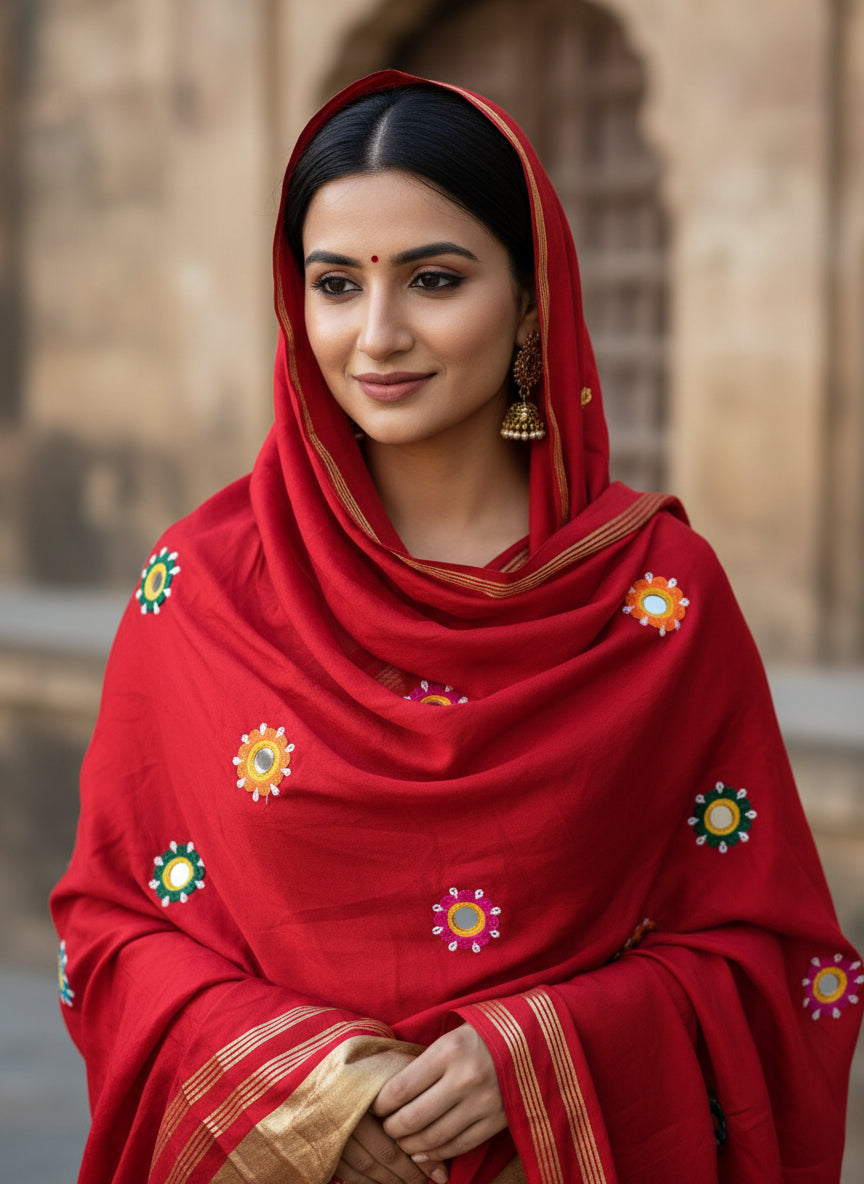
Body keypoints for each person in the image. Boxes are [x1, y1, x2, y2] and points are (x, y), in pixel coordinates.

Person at [51, 70, 861, 1184]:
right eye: (337, 285)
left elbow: (769, 956)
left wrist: (536, 1055)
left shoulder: (656, 596)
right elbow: (113, 927)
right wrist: (311, 1091)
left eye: (434, 280)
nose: (377, 335)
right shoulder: (203, 587)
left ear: (531, 302)